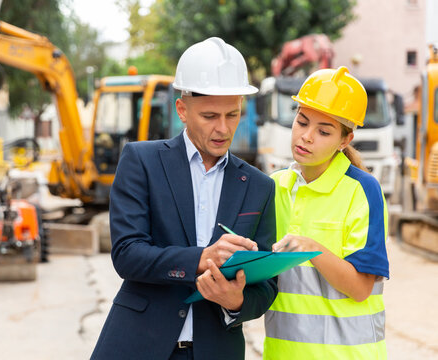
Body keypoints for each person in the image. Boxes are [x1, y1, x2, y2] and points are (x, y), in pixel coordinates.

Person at [91, 37, 278, 360]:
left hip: (216, 349)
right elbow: (127, 254)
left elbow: (267, 287)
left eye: (232, 115)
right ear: (182, 110)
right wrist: (201, 259)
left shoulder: (259, 185)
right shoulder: (141, 161)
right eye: (209, 116)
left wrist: (235, 302)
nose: (223, 129)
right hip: (138, 345)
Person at [262, 66, 389, 359]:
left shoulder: (362, 190)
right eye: (301, 122)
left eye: (323, 131)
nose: (306, 136)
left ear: (345, 140)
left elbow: (360, 288)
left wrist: (311, 248)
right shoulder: (275, 186)